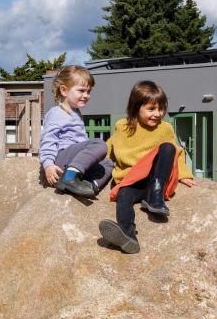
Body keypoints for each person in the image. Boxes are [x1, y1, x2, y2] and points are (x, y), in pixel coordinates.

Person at [98, 80, 197, 254]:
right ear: (136, 107)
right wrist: (95, 165)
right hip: (132, 181)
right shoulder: (122, 126)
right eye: (151, 109)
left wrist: (183, 175)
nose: (157, 114)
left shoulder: (165, 128)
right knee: (123, 194)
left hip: (154, 180)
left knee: (168, 148)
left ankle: (155, 198)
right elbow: (111, 146)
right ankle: (127, 234)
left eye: (161, 109)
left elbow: (176, 153)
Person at [40, 65, 114, 198]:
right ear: (64, 90)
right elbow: (47, 141)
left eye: (89, 91)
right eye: (81, 90)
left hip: (75, 162)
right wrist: (48, 165)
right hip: (62, 161)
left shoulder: (75, 113)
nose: (86, 95)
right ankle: (69, 177)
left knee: (108, 163)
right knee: (100, 144)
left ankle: (89, 186)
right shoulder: (57, 113)